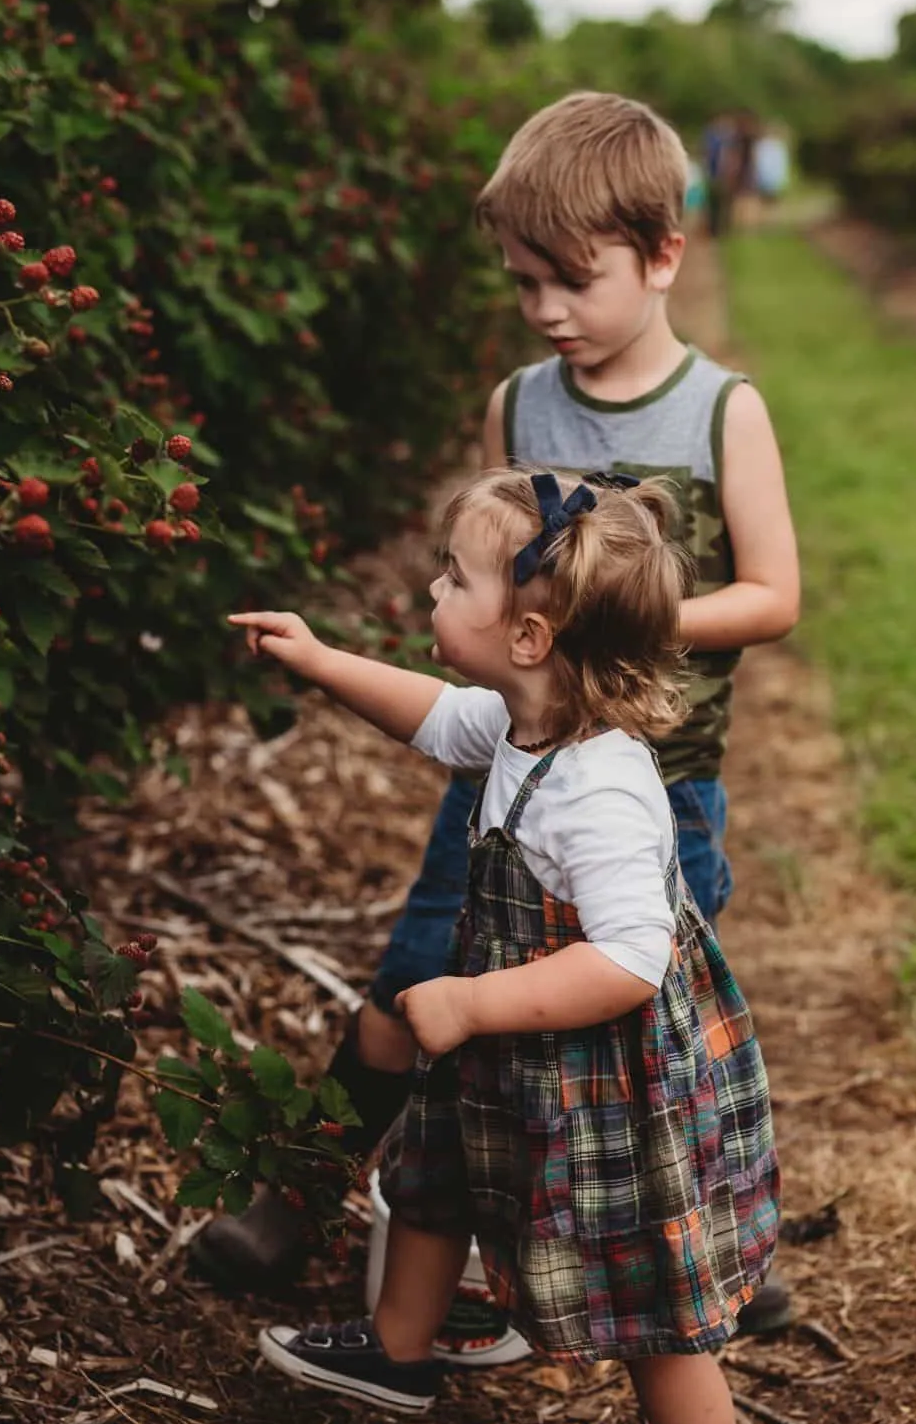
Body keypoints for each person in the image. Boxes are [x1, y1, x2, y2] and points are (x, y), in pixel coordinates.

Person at [191, 91, 804, 1345]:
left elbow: (775, 594)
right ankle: (300, 1193)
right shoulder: (520, 406)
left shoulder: (719, 412)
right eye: (524, 283)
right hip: (502, 784)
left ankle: (709, 1247)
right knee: (418, 982)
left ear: (665, 252)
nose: (544, 311)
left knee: (642, 1031)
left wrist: (625, 622)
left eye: (571, 282)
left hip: (656, 791)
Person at [238, 467, 784, 1424]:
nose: (433, 593)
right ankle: (399, 1350)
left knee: (648, 1295)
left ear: (529, 634)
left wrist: (474, 1000)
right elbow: (434, 720)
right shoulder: (523, 726)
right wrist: (318, 658)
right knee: (434, 1172)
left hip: (596, 1077)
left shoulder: (604, 787)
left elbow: (631, 960)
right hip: (512, 1053)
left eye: (454, 579)